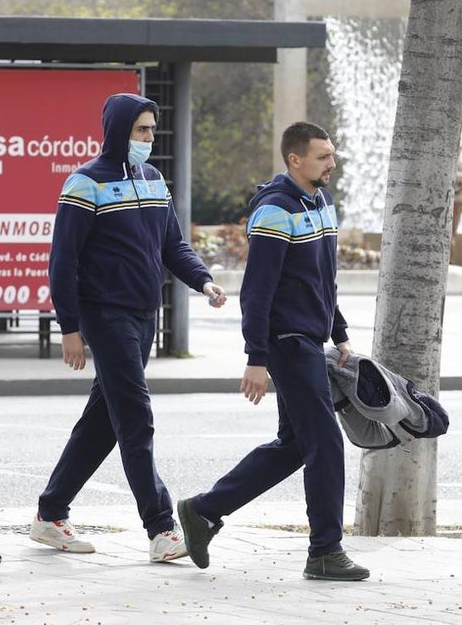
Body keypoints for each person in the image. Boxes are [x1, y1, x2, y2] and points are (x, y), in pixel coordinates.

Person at [28, 92, 228, 563]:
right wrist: (70, 327)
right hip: (105, 315)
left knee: (103, 421)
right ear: (119, 130)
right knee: (135, 418)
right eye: (141, 130)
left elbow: (172, 246)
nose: (149, 138)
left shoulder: (153, 179)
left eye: (152, 130)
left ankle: (50, 513)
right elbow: (63, 262)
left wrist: (204, 281)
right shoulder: (85, 183)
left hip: (143, 315)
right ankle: (161, 527)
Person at [176, 121, 370, 582]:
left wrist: (339, 332)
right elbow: (258, 291)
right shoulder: (273, 212)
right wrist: (256, 357)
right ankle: (325, 551)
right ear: (295, 160)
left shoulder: (322, 203)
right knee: (324, 442)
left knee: (295, 445)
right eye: (323, 156)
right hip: (286, 343)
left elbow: (325, 279)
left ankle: (203, 511)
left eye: (332, 154)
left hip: (311, 339)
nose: (332, 163)